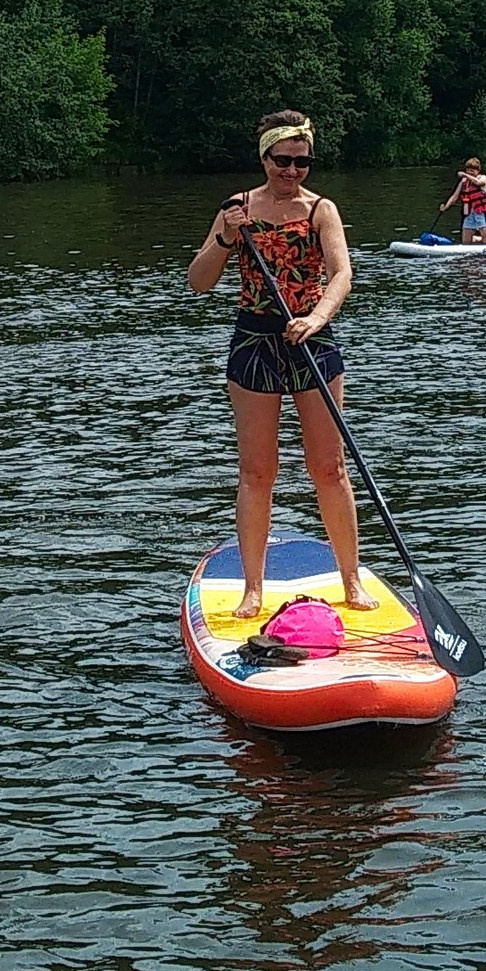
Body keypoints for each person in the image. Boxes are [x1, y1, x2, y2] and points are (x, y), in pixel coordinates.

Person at [185, 111, 376, 620]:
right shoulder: (237, 209)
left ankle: (351, 580)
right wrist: (225, 238)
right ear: (265, 157)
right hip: (254, 343)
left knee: (329, 468)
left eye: (302, 161)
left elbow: (342, 275)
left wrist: (316, 316)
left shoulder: (321, 211)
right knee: (257, 471)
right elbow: (198, 281)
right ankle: (253, 587)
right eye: (283, 161)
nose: (292, 171)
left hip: (311, 340)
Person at [441, 157, 486, 244]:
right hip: (469, 213)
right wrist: (446, 206)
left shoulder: (483, 177)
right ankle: (477, 239)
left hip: (482, 212)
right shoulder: (463, 182)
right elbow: (454, 196)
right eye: (468, 170)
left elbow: (479, 183)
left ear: (477, 171)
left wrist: (465, 175)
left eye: (472, 170)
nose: (470, 172)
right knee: (466, 242)